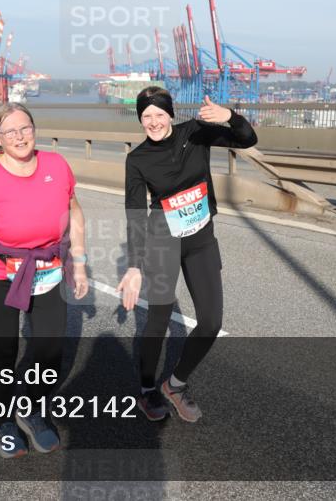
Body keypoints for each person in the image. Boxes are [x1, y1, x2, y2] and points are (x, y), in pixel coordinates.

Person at [0, 102, 88, 458]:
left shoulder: (56, 165)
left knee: (50, 349)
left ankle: (31, 407)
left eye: (24, 128)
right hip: (0, 274)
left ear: (34, 129)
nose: (19, 136)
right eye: (10, 131)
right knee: (3, 354)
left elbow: (74, 212)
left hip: (47, 269)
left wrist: (80, 263)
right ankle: (4, 423)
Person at [118, 89, 256, 423]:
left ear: (170, 113)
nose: (153, 122)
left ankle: (175, 384)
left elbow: (247, 140)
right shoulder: (137, 159)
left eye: (159, 114)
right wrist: (134, 265)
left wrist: (230, 117)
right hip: (163, 240)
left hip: (201, 239)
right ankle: (148, 389)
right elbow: (135, 213)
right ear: (140, 119)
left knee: (211, 321)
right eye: (146, 116)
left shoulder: (194, 132)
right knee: (159, 318)